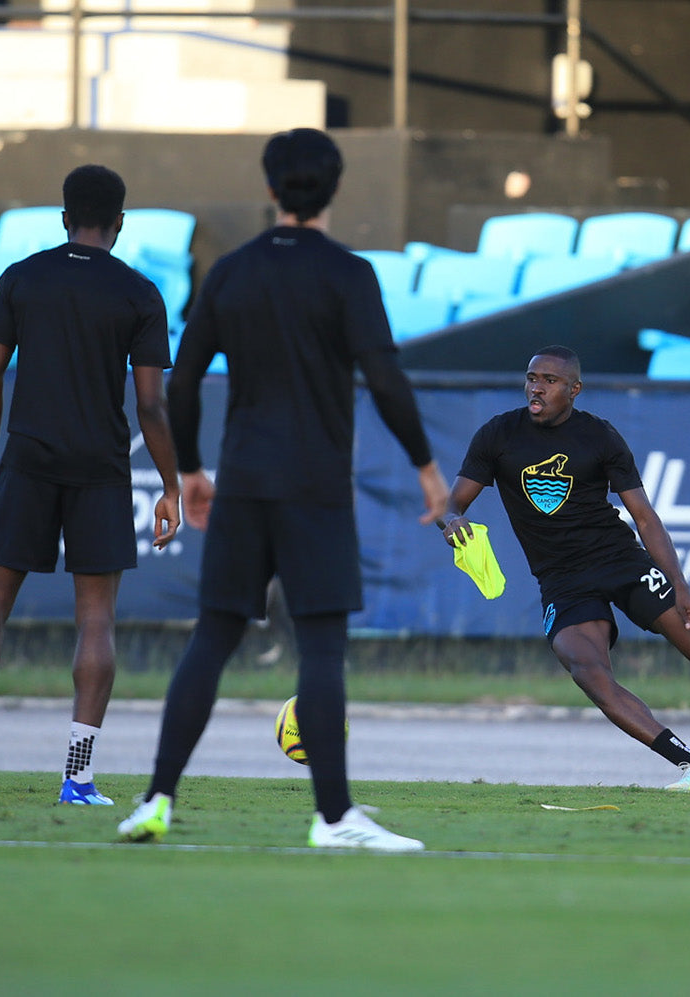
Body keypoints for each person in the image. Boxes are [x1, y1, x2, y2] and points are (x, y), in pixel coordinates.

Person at [118, 128, 448, 852]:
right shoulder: (349, 273)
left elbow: (182, 381)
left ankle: (155, 798)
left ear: (270, 189)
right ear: (333, 191)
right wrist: (427, 467)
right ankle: (333, 817)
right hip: (315, 486)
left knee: (213, 637)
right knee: (322, 648)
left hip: (243, 481)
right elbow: (385, 376)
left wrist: (193, 471)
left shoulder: (231, 272)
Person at [0, 164, 183, 805]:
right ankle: (78, 778)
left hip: (27, 462)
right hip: (101, 470)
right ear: (120, 221)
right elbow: (151, 407)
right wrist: (168, 485)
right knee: (96, 619)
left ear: (63, 217)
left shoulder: (21, 277)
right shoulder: (140, 293)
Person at [441, 345, 690, 793]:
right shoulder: (499, 434)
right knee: (588, 672)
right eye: (531, 377)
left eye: (549, 380)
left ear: (574, 389)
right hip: (563, 580)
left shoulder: (600, 436)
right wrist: (452, 522)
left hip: (619, 560)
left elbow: (644, 517)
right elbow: (452, 503)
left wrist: (680, 586)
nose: (536, 387)